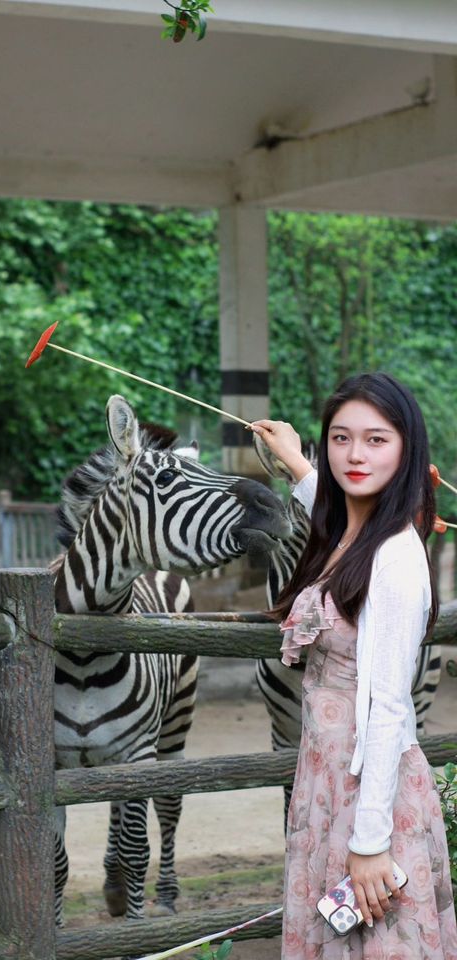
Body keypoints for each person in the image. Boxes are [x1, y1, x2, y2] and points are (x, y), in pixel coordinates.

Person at [251, 372, 457, 959]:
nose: (355, 455)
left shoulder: (395, 558)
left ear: (407, 448)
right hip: (325, 785)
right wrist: (294, 459)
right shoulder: (352, 533)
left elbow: (390, 705)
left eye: (375, 439)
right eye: (340, 439)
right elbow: (332, 505)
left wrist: (370, 841)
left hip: (372, 793)